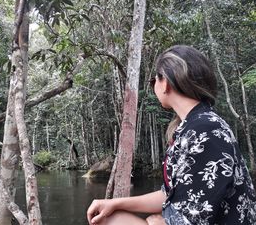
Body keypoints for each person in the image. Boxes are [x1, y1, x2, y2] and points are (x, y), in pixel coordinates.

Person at [86, 45, 256, 225]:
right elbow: (170, 194)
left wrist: (159, 222)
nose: (154, 86)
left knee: (110, 220)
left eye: (154, 81)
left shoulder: (205, 130)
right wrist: (114, 203)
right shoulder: (194, 126)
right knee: (108, 215)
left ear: (165, 82)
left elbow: (197, 215)